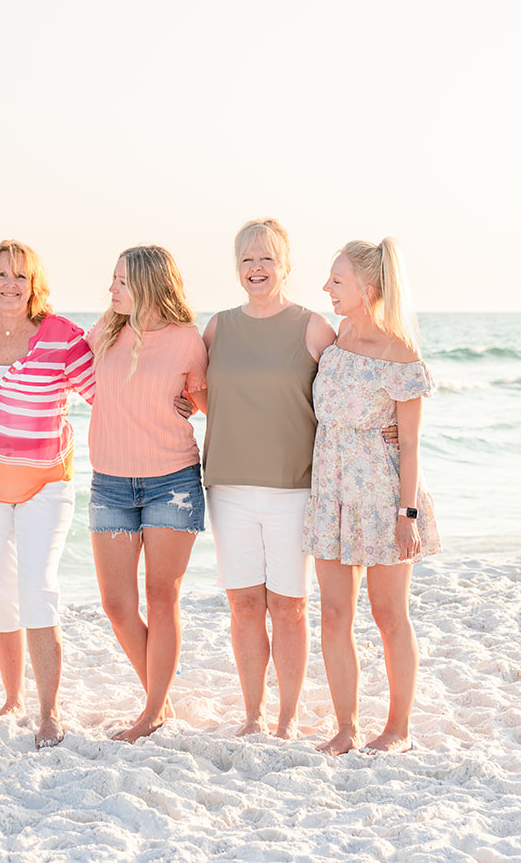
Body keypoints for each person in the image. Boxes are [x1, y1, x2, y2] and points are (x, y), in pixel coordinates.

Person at [201, 218, 336, 739]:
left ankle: (288, 716)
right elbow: (194, 388)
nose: (257, 268)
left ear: (285, 265)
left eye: (266, 259)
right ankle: (254, 713)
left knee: (290, 605)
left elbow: (343, 396)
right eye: (247, 260)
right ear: (237, 268)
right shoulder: (217, 327)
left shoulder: (312, 326)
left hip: (293, 487)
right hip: (228, 487)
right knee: (243, 605)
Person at [308, 238, 440, 755]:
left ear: (366, 289)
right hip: (331, 494)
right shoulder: (337, 336)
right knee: (335, 615)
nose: (326, 289)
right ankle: (346, 727)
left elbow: (409, 444)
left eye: (336, 282)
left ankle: (398, 730)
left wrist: (406, 513)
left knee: (388, 615)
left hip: (383, 498)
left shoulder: (400, 353)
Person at [0, 240, 95, 748]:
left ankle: (49, 711)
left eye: (20, 276)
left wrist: (175, 395)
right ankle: (13, 696)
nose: (10, 285)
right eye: (0, 275)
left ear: (33, 283)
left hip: (45, 484)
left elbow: (106, 392)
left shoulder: (62, 337)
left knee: (36, 589)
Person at [86, 245, 209, 743]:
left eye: (120, 280)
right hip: (110, 482)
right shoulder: (106, 331)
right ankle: (160, 698)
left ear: (148, 285)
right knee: (117, 605)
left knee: (162, 598)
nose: (111, 289)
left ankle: (153, 710)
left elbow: (205, 404)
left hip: (172, 480)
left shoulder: (186, 341)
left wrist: (188, 405)